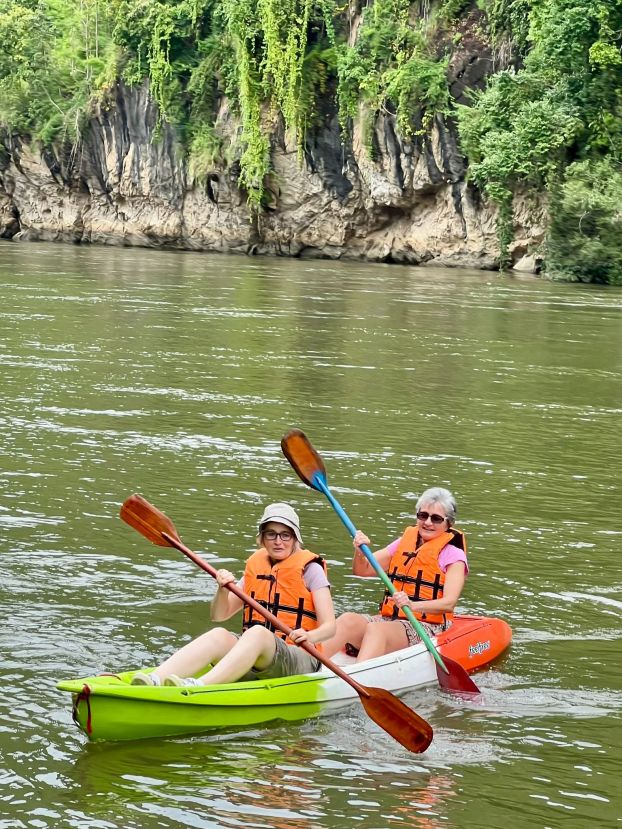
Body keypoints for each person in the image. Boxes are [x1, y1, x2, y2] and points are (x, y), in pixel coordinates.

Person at [131, 503, 335, 687]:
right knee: (219, 633)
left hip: (299, 658)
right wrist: (222, 589)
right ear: (262, 538)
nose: (278, 541)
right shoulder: (256, 569)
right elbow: (219, 615)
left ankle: (199, 686)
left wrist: (309, 636)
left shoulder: (311, 570)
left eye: (285, 535)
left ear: (295, 538)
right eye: (271, 534)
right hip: (260, 658)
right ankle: (155, 679)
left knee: (257, 633)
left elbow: (330, 627)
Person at [322, 487, 468, 662]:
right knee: (347, 620)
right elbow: (363, 570)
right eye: (423, 515)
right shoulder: (404, 543)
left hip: (427, 626)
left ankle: (357, 680)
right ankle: (307, 664)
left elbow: (449, 603)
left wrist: (413, 606)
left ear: (448, 523)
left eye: (436, 518)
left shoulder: (453, 555)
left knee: (376, 630)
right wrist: (359, 551)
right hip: (390, 618)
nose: (428, 522)